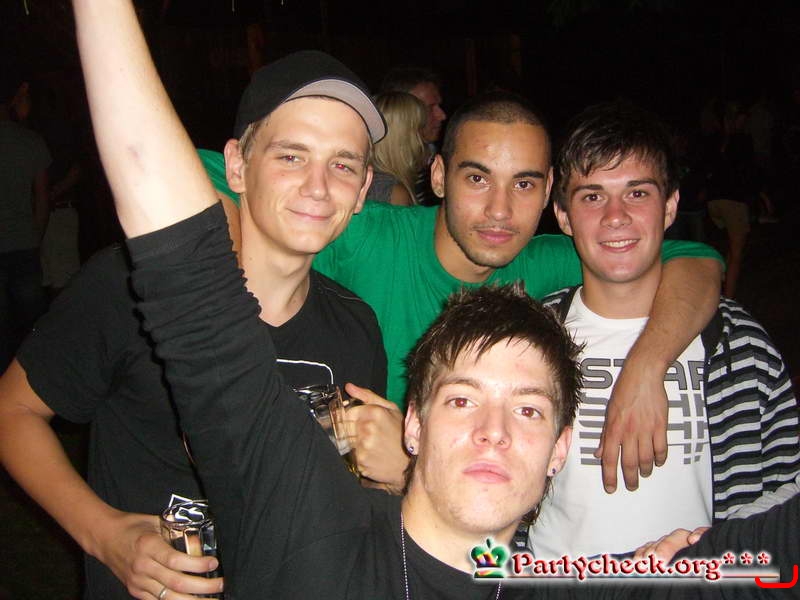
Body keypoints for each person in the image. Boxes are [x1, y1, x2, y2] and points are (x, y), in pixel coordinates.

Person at [0, 36, 387, 600]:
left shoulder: (356, 327)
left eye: (343, 165)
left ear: (363, 190)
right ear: (237, 166)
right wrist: (104, 534)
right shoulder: (132, 285)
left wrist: (396, 473)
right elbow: (11, 411)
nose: (318, 186)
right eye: (291, 156)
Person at [202, 90, 724, 494]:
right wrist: (222, 281)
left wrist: (646, 367)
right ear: (439, 175)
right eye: (477, 179)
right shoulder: (367, 236)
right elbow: (206, 168)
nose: (500, 210)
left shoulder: (545, 261)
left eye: (523, 184)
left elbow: (695, 259)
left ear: (548, 192)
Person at [529, 101, 800, 558]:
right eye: (592, 196)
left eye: (637, 193)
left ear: (670, 206)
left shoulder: (737, 342)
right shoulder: (527, 338)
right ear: (562, 215)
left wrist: (720, 556)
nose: (616, 216)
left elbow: (784, 485)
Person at [0, 75, 51, 370]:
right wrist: (36, 237)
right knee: (32, 327)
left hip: (19, 242)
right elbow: (41, 198)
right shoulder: (30, 141)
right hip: (23, 243)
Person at [380, 66, 447, 205]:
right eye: (429, 108)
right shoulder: (386, 187)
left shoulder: (438, 158)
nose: (442, 115)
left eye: (439, 106)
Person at [367, 91, 427, 206]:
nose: (422, 138)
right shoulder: (395, 193)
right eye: (419, 128)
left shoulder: (370, 179)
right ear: (402, 136)